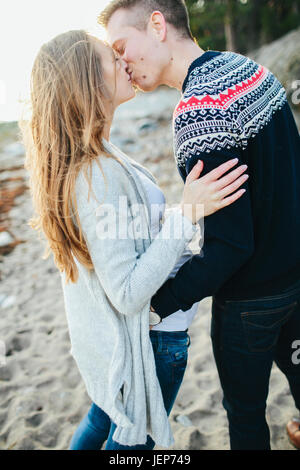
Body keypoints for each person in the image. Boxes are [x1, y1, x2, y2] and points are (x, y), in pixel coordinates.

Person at [21, 30, 248, 450]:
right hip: (150, 342)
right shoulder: (97, 174)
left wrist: (179, 216)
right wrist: (188, 214)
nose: (123, 61)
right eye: (110, 57)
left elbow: (124, 244)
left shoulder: (97, 156)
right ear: (88, 82)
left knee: (102, 420)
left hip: (129, 341)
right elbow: (126, 292)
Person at [99, 0, 300, 450]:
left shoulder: (198, 111)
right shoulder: (251, 70)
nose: (121, 62)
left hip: (250, 305)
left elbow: (230, 247)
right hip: (297, 281)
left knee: (246, 416)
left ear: (156, 25)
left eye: (121, 46)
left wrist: (159, 304)